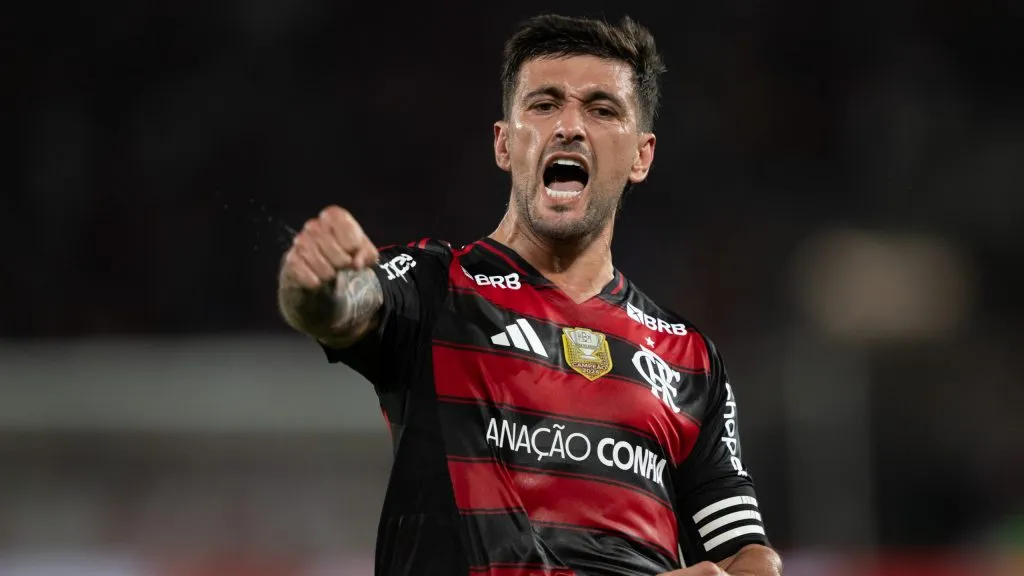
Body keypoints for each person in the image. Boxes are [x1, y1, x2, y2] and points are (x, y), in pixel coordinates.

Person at [277, 13, 782, 576]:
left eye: (601, 109)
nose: (569, 126)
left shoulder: (690, 361)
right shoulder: (438, 287)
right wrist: (315, 285)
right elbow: (344, 311)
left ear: (642, 155)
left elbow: (741, 550)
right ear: (504, 143)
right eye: (543, 105)